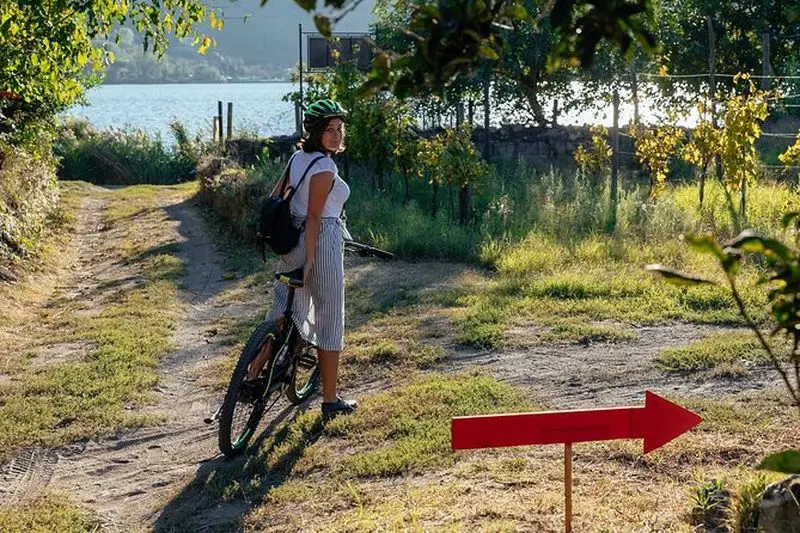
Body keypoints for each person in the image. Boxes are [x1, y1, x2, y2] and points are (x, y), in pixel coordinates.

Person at [249, 98, 356, 420]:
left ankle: (251, 376)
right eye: (329, 130)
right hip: (319, 240)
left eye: (339, 129)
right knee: (330, 316)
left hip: (289, 239)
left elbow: (277, 195)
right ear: (316, 132)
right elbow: (314, 217)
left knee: (283, 310)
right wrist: (309, 260)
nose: (336, 135)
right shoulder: (325, 167)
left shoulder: (298, 157)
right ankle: (330, 398)